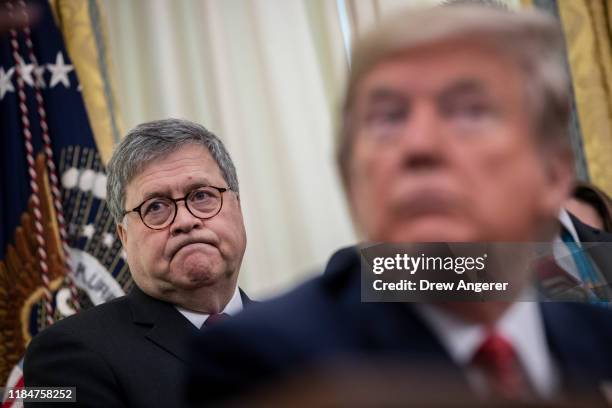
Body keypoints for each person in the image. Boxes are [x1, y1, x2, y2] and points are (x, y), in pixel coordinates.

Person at [188, 5, 612, 405]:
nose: (419, 144)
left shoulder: (599, 341)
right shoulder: (272, 366)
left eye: (469, 111)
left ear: (555, 172)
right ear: (350, 177)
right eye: (388, 118)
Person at [24, 118, 252, 407]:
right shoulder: (65, 354)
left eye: (202, 196)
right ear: (124, 236)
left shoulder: (296, 331)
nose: (185, 220)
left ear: (238, 207)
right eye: (155, 206)